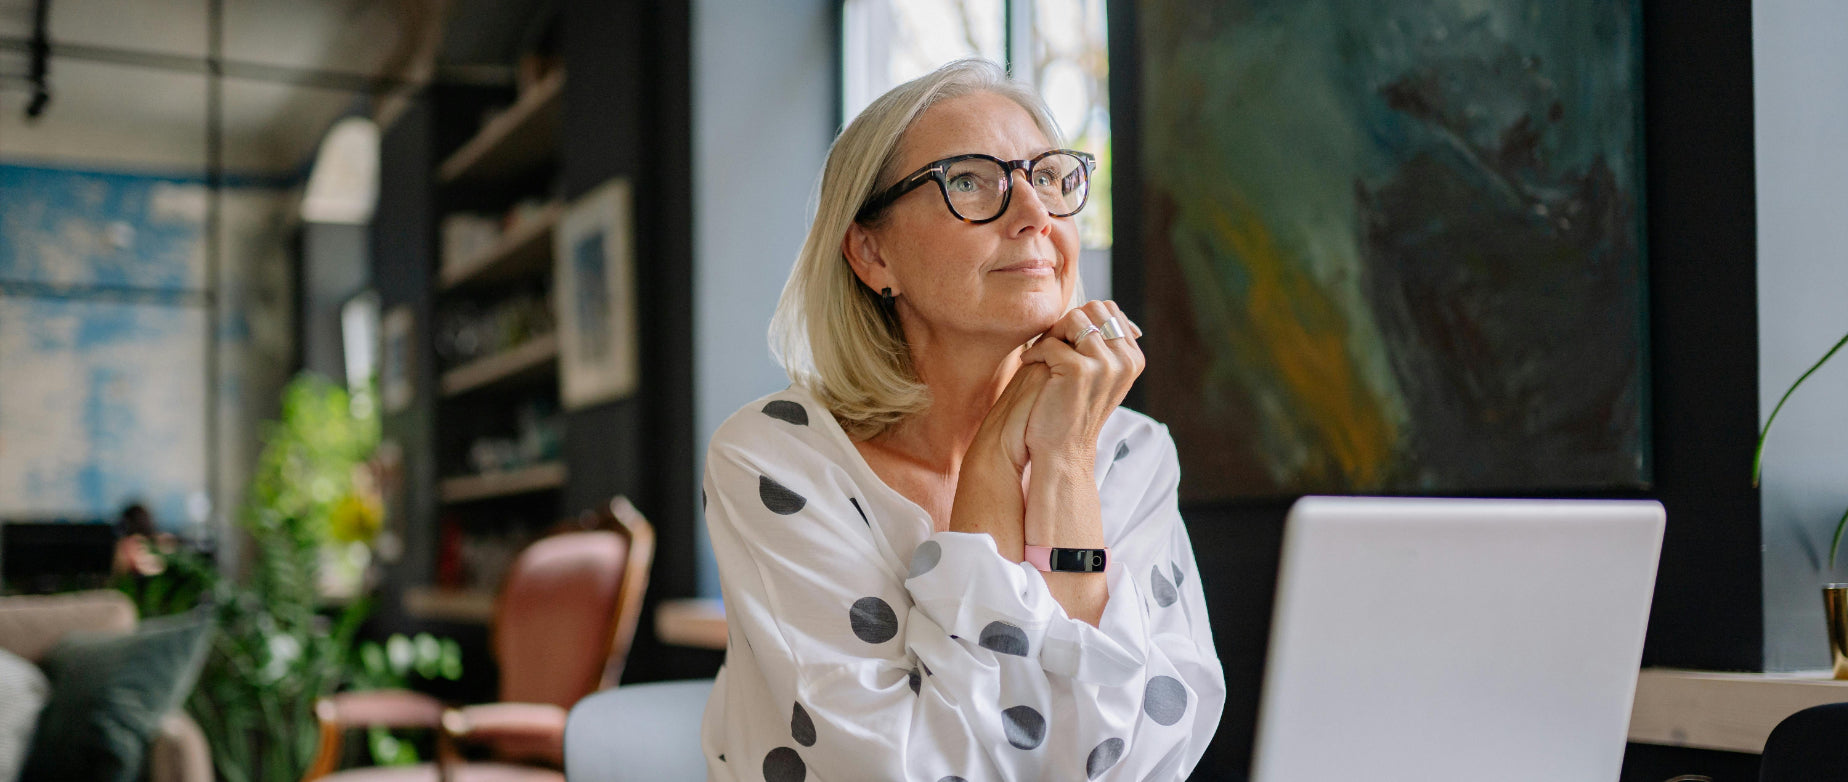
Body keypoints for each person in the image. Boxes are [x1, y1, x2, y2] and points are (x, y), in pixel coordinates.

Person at [701, 59, 1224, 780]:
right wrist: (989, 471)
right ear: (871, 251)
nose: (1035, 214)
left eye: (1048, 177)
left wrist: (1064, 462)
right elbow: (914, 768)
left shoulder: (1128, 454)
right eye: (971, 181)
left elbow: (1140, 757)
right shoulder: (775, 458)